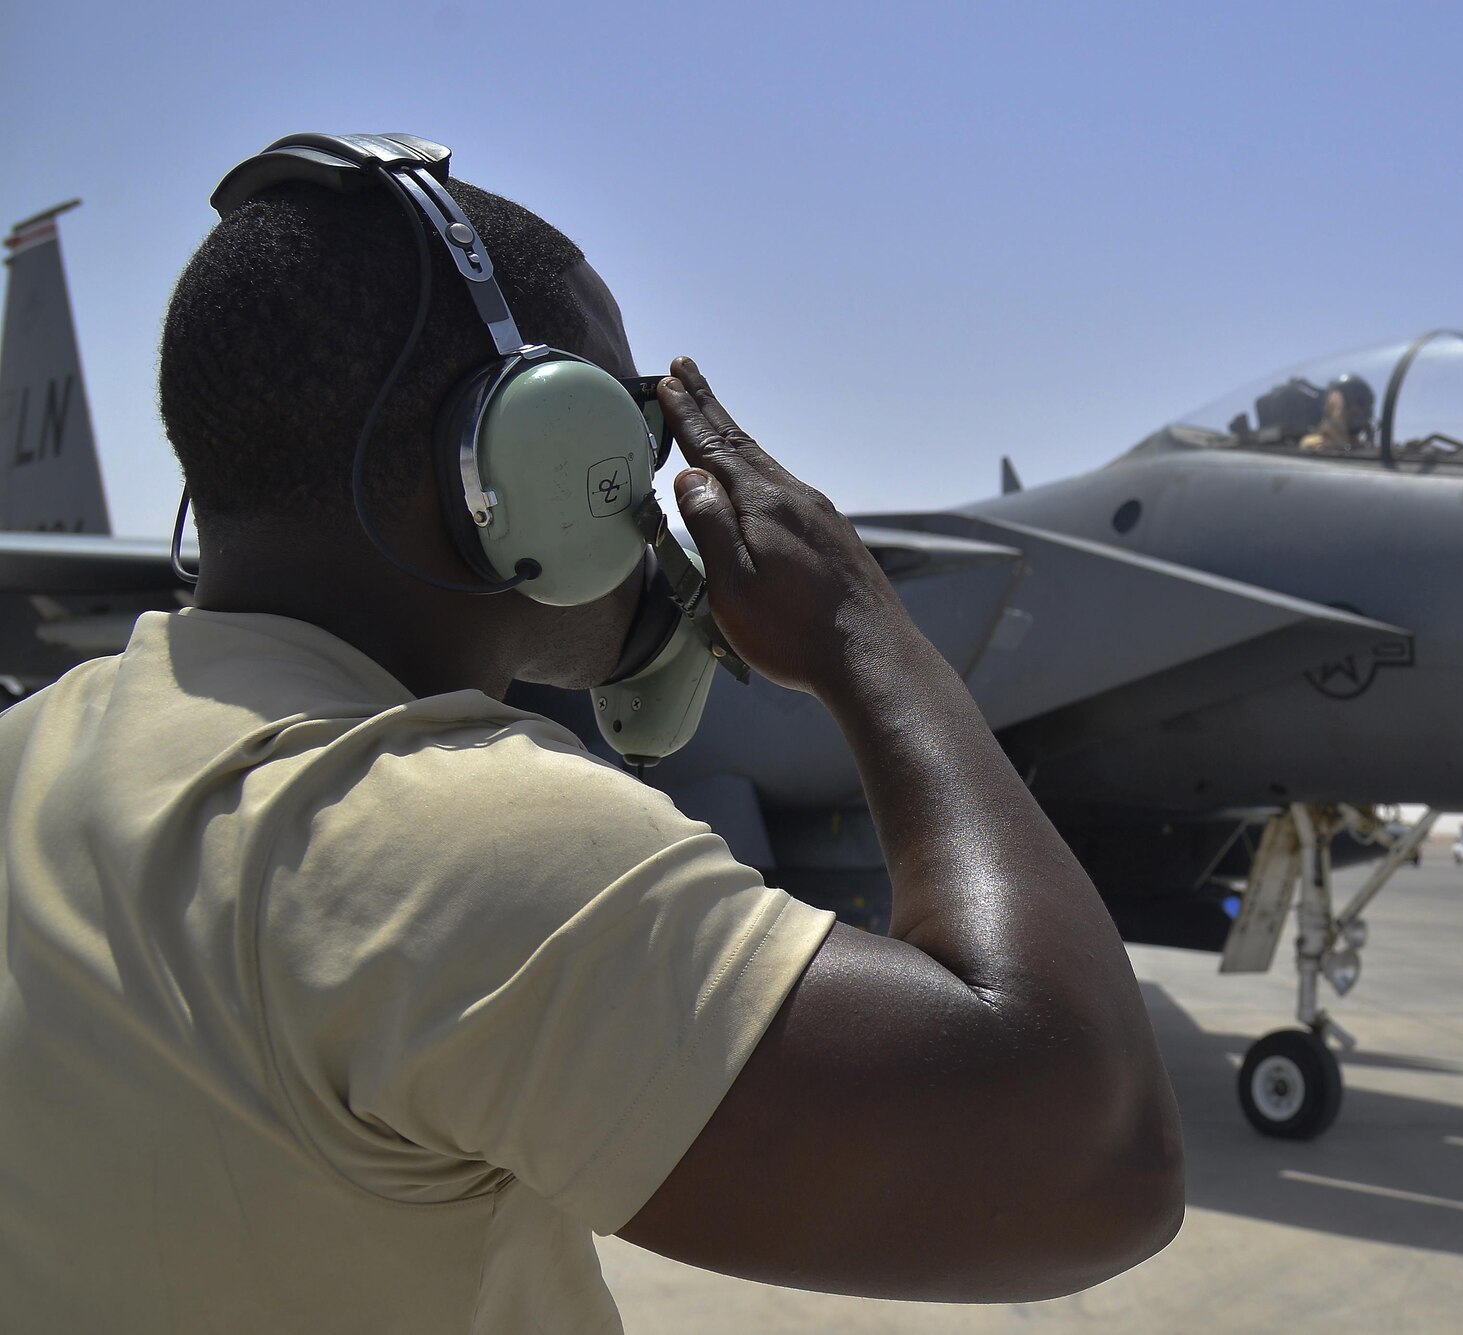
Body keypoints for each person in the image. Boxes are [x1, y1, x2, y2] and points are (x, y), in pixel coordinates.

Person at [0, 141, 1182, 1331]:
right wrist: (865, 636)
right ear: (528, 450)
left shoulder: (31, 751)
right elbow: (1093, 1160)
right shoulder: (466, 842)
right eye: (625, 432)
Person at [1299, 373, 1375, 453]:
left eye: (1361, 402)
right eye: (1349, 401)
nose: (1355, 409)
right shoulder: (1312, 445)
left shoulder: (1364, 448)